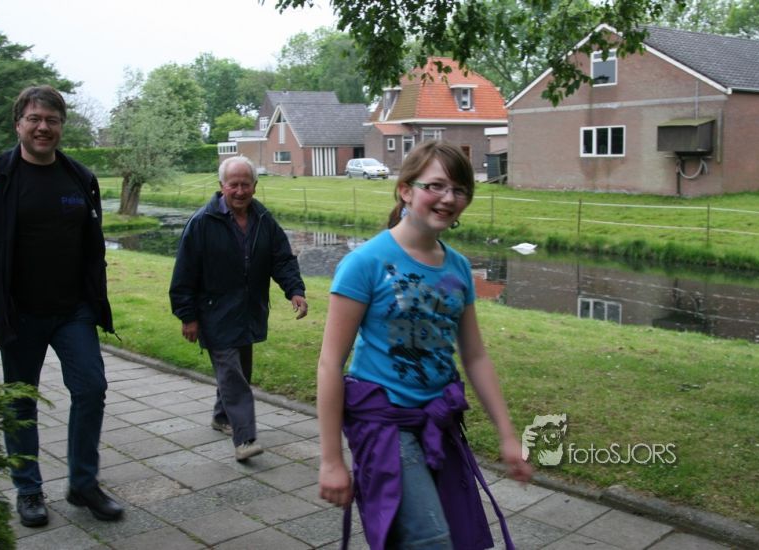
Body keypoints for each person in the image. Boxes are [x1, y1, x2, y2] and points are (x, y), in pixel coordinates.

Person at [316, 140, 532, 549]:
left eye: (460, 189)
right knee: (431, 540)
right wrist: (330, 460)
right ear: (405, 190)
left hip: (439, 421)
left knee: (460, 537)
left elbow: (475, 356)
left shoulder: (459, 268)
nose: (449, 198)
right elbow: (330, 363)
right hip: (385, 425)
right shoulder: (365, 263)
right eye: (435, 186)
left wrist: (507, 434)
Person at [0, 85, 123, 527]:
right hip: (18, 312)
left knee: (91, 388)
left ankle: (83, 483)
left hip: (73, 311)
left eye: (52, 120)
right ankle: (28, 490)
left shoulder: (80, 178)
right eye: (34, 119)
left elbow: (91, 248)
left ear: (62, 125)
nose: (43, 127)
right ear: (18, 125)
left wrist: (94, 300)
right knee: (20, 401)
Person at [169, 156, 308, 462]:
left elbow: (282, 259)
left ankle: (222, 416)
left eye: (246, 184)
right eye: (234, 185)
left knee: (240, 371)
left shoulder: (263, 220)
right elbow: (184, 273)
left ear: (255, 186)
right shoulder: (202, 222)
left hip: (249, 311)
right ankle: (244, 438)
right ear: (222, 186)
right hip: (214, 313)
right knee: (232, 374)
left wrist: (295, 291)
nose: (240, 191)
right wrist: (187, 316)